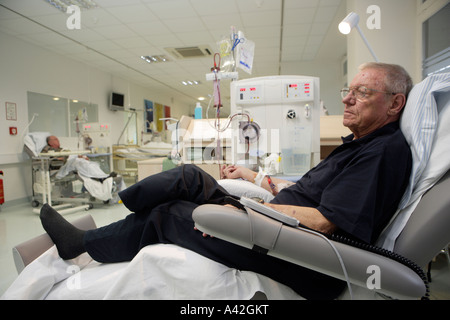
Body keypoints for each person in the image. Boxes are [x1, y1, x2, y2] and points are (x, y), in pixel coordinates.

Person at [40, 62, 413, 300]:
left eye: (362, 93)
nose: (348, 98)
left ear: (394, 104)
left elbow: (324, 222)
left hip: (301, 255)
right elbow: (306, 194)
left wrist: (244, 216)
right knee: (190, 175)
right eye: (348, 90)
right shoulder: (361, 145)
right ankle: (123, 213)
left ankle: (84, 242)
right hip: (279, 223)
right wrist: (253, 180)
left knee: (167, 214)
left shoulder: (381, 152)